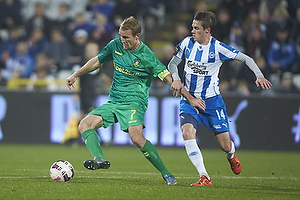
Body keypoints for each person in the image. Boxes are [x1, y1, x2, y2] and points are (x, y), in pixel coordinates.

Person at [66, 16, 195, 185]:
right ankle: (99, 158)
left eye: (126, 37)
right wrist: (75, 75)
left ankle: (166, 174)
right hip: (114, 102)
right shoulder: (115, 45)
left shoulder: (147, 56)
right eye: (121, 36)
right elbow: (97, 62)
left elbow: (167, 76)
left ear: (137, 36)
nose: (123, 40)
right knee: (84, 124)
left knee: (136, 138)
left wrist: (190, 98)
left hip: (135, 102)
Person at [168, 11, 272, 186]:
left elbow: (245, 58)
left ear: (207, 30)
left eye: (196, 28)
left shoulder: (218, 48)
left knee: (225, 145)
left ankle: (231, 155)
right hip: (189, 99)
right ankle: (204, 176)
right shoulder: (186, 43)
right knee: (187, 133)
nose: (192, 31)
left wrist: (259, 75)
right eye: (192, 27)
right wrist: (176, 79)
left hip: (212, 102)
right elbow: (172, 63)